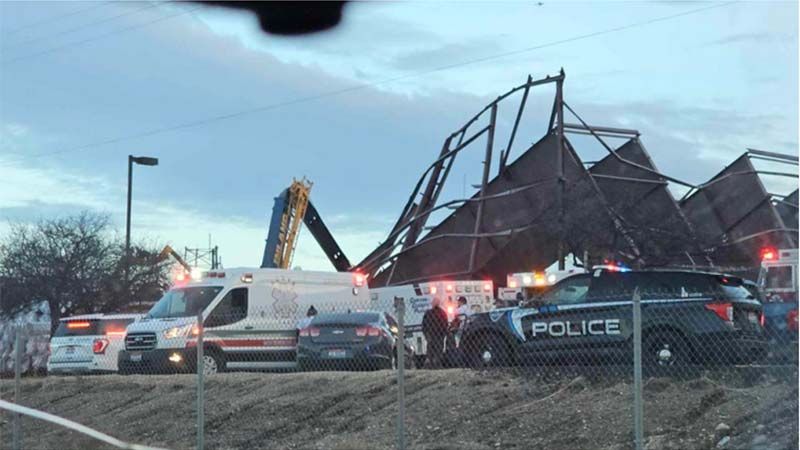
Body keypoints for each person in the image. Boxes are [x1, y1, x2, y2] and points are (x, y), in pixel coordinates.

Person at [421, 297, 448, 369]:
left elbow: (424, 325)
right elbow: (445, 325)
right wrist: (443, 335)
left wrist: (426, 335)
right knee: (438, 351)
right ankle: (437, 364)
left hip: (431, 336)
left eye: (433, 302)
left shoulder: (428, 313)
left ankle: (429, 364)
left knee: (430, 351)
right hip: (439, 336)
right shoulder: (443, 313)